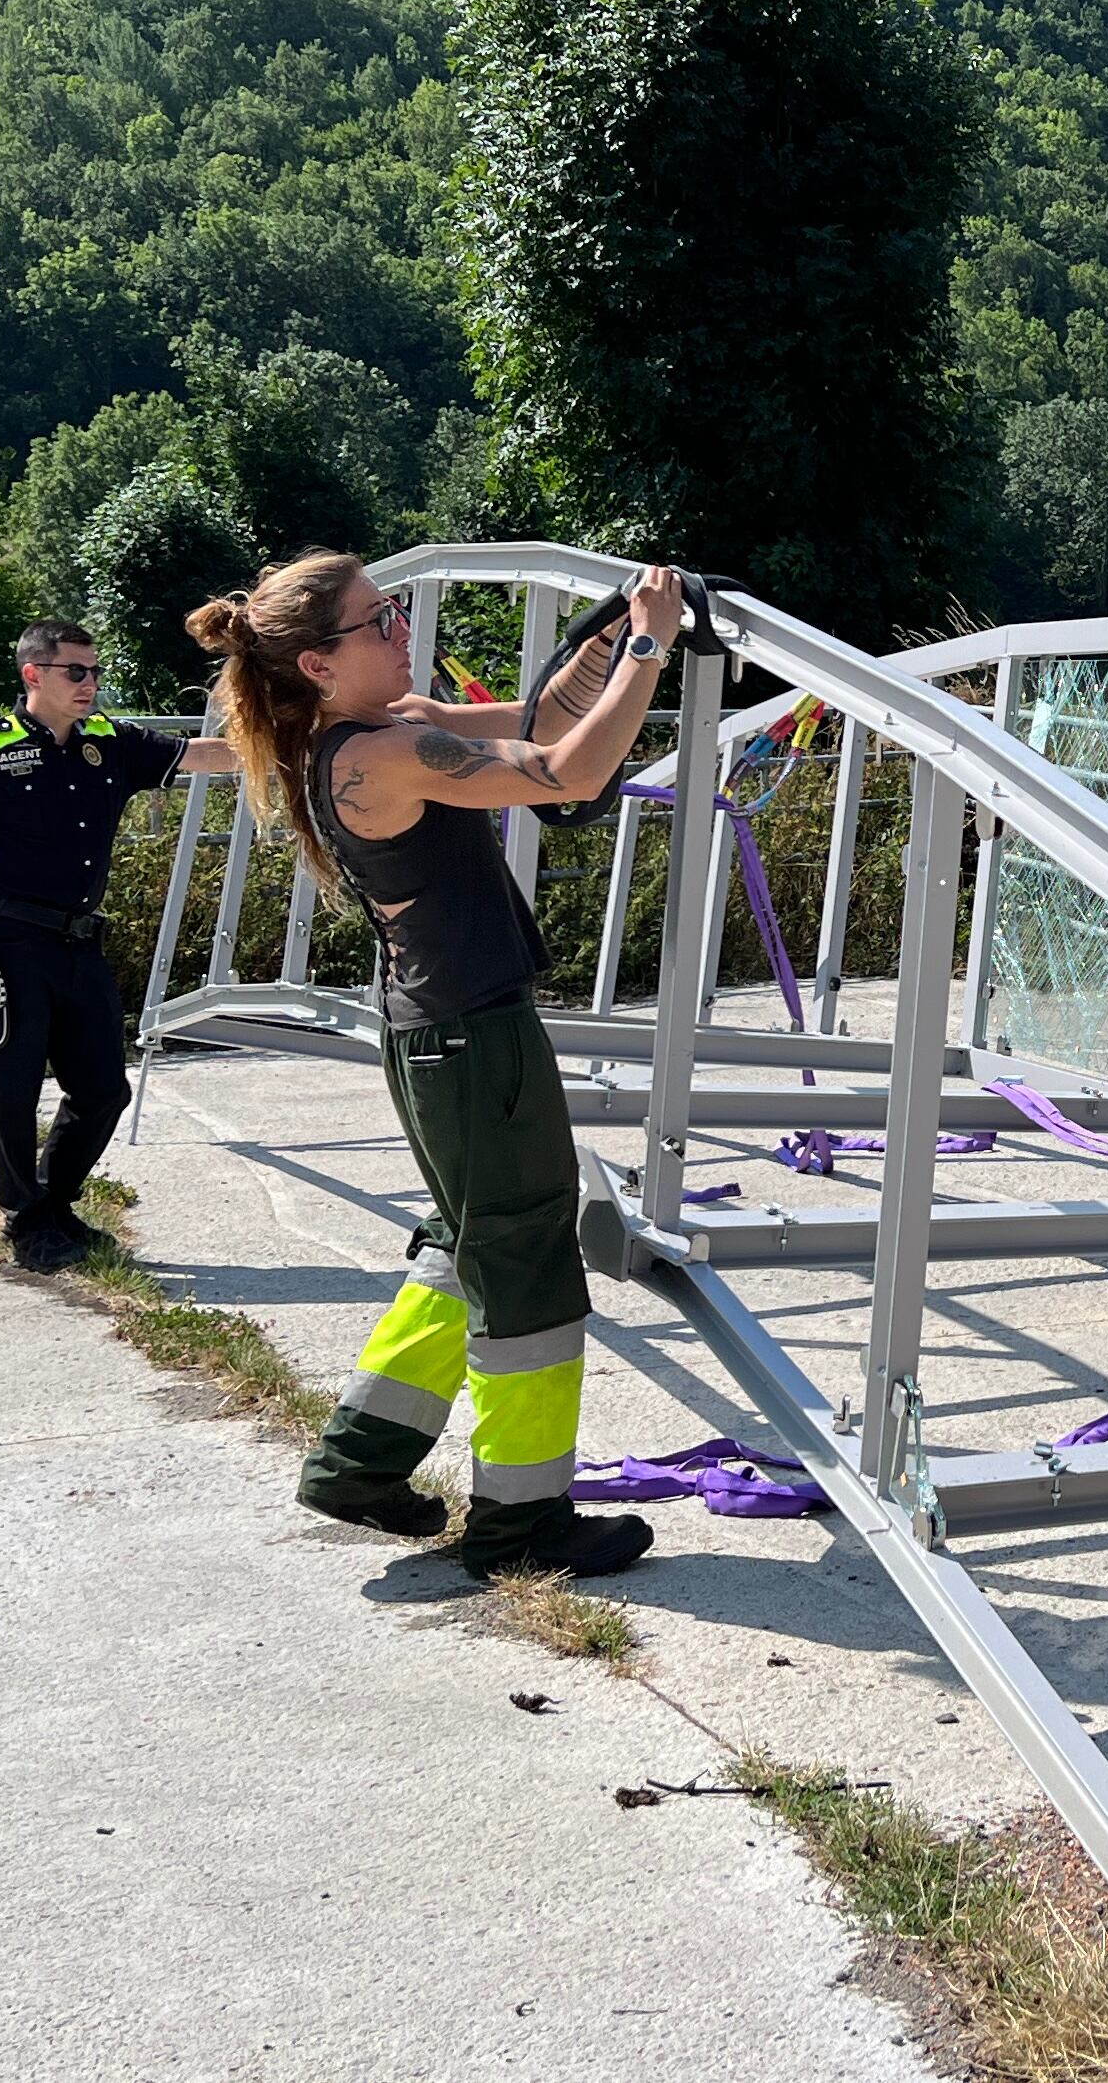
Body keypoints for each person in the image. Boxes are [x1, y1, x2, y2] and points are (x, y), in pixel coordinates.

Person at [186, 550, 685, 1583]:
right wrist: (650, 647)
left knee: (468, 1245)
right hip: (470, 1039)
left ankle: (359, 1463)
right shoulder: (377, 757)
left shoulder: (378, 729)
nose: (401, 626)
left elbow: (541, 725)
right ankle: (522, 1521)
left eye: (396, 607)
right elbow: (575, 774)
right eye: (380, 620)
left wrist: (605, 635)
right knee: (528, 1264)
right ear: (319, 665)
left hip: (443, 1034)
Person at [0, 621, 238, 1270]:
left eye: (95, 672)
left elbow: (201, 756)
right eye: (77, 672)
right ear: (34, 675)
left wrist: (294, 739)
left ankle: (58, 1205)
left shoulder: (110, 741)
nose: (90, 685)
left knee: (103, 1087)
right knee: (11, 1087)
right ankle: (26, 1220)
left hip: (78, 943)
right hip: (9, 940)